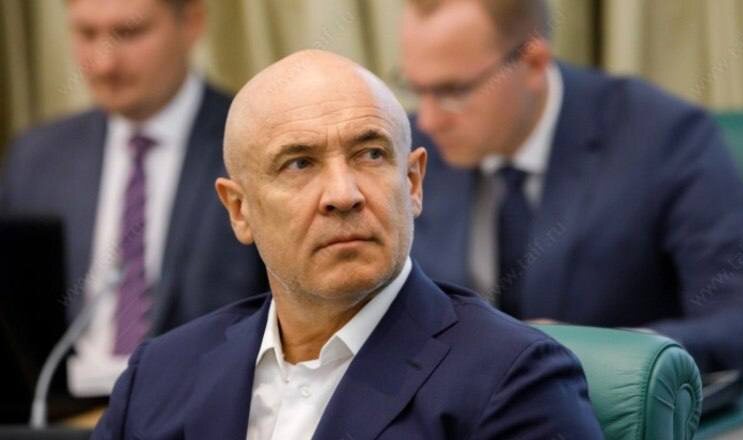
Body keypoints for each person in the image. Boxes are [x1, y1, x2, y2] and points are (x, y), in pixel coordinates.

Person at [91, 49, 603, 439]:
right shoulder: (157, 376)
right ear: (239, 210)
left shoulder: (512, 377)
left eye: (371, 154)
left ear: (413, 183)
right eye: (299, 164)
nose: (343, 194)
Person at [401, 0, 743, 382]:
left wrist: (601, 353)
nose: (428, 120)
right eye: (417, 89)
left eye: (453, 91)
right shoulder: (409, 150)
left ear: (533, 63)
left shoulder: (662, 137)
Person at [0, 0, 268, 397]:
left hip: (205, 404)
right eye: (86, 34)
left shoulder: (254, 145)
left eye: (128, 33)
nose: (104, 64)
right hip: (60, 411)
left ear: (191, 22)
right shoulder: (36, 158)